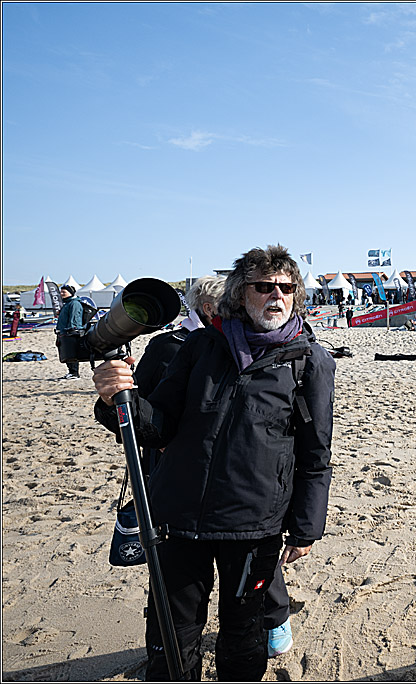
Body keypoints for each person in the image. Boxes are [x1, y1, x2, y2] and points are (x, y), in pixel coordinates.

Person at [91, 245, 335, 681]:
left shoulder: (310, 361)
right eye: (264, 287)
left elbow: (316, 454)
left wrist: (305, 528)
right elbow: (158, 425)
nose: (276, 296)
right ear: (241, 293)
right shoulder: (202, 345)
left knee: (244, 633)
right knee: (172, 632)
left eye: (285, 288)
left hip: (254, 523)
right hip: (179, 517)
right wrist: (117, 400)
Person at [55, 284, 85, 379]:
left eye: (64, 292)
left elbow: (75, 318)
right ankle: (71, 372)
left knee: (71, 353)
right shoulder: (67, 303)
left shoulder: (74, 303)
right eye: (61, 292)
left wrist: (71, 330)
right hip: (64, 332)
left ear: (70, 293)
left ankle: (75, 373)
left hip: (70, 333)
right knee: (66, 353)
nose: (61, 294)